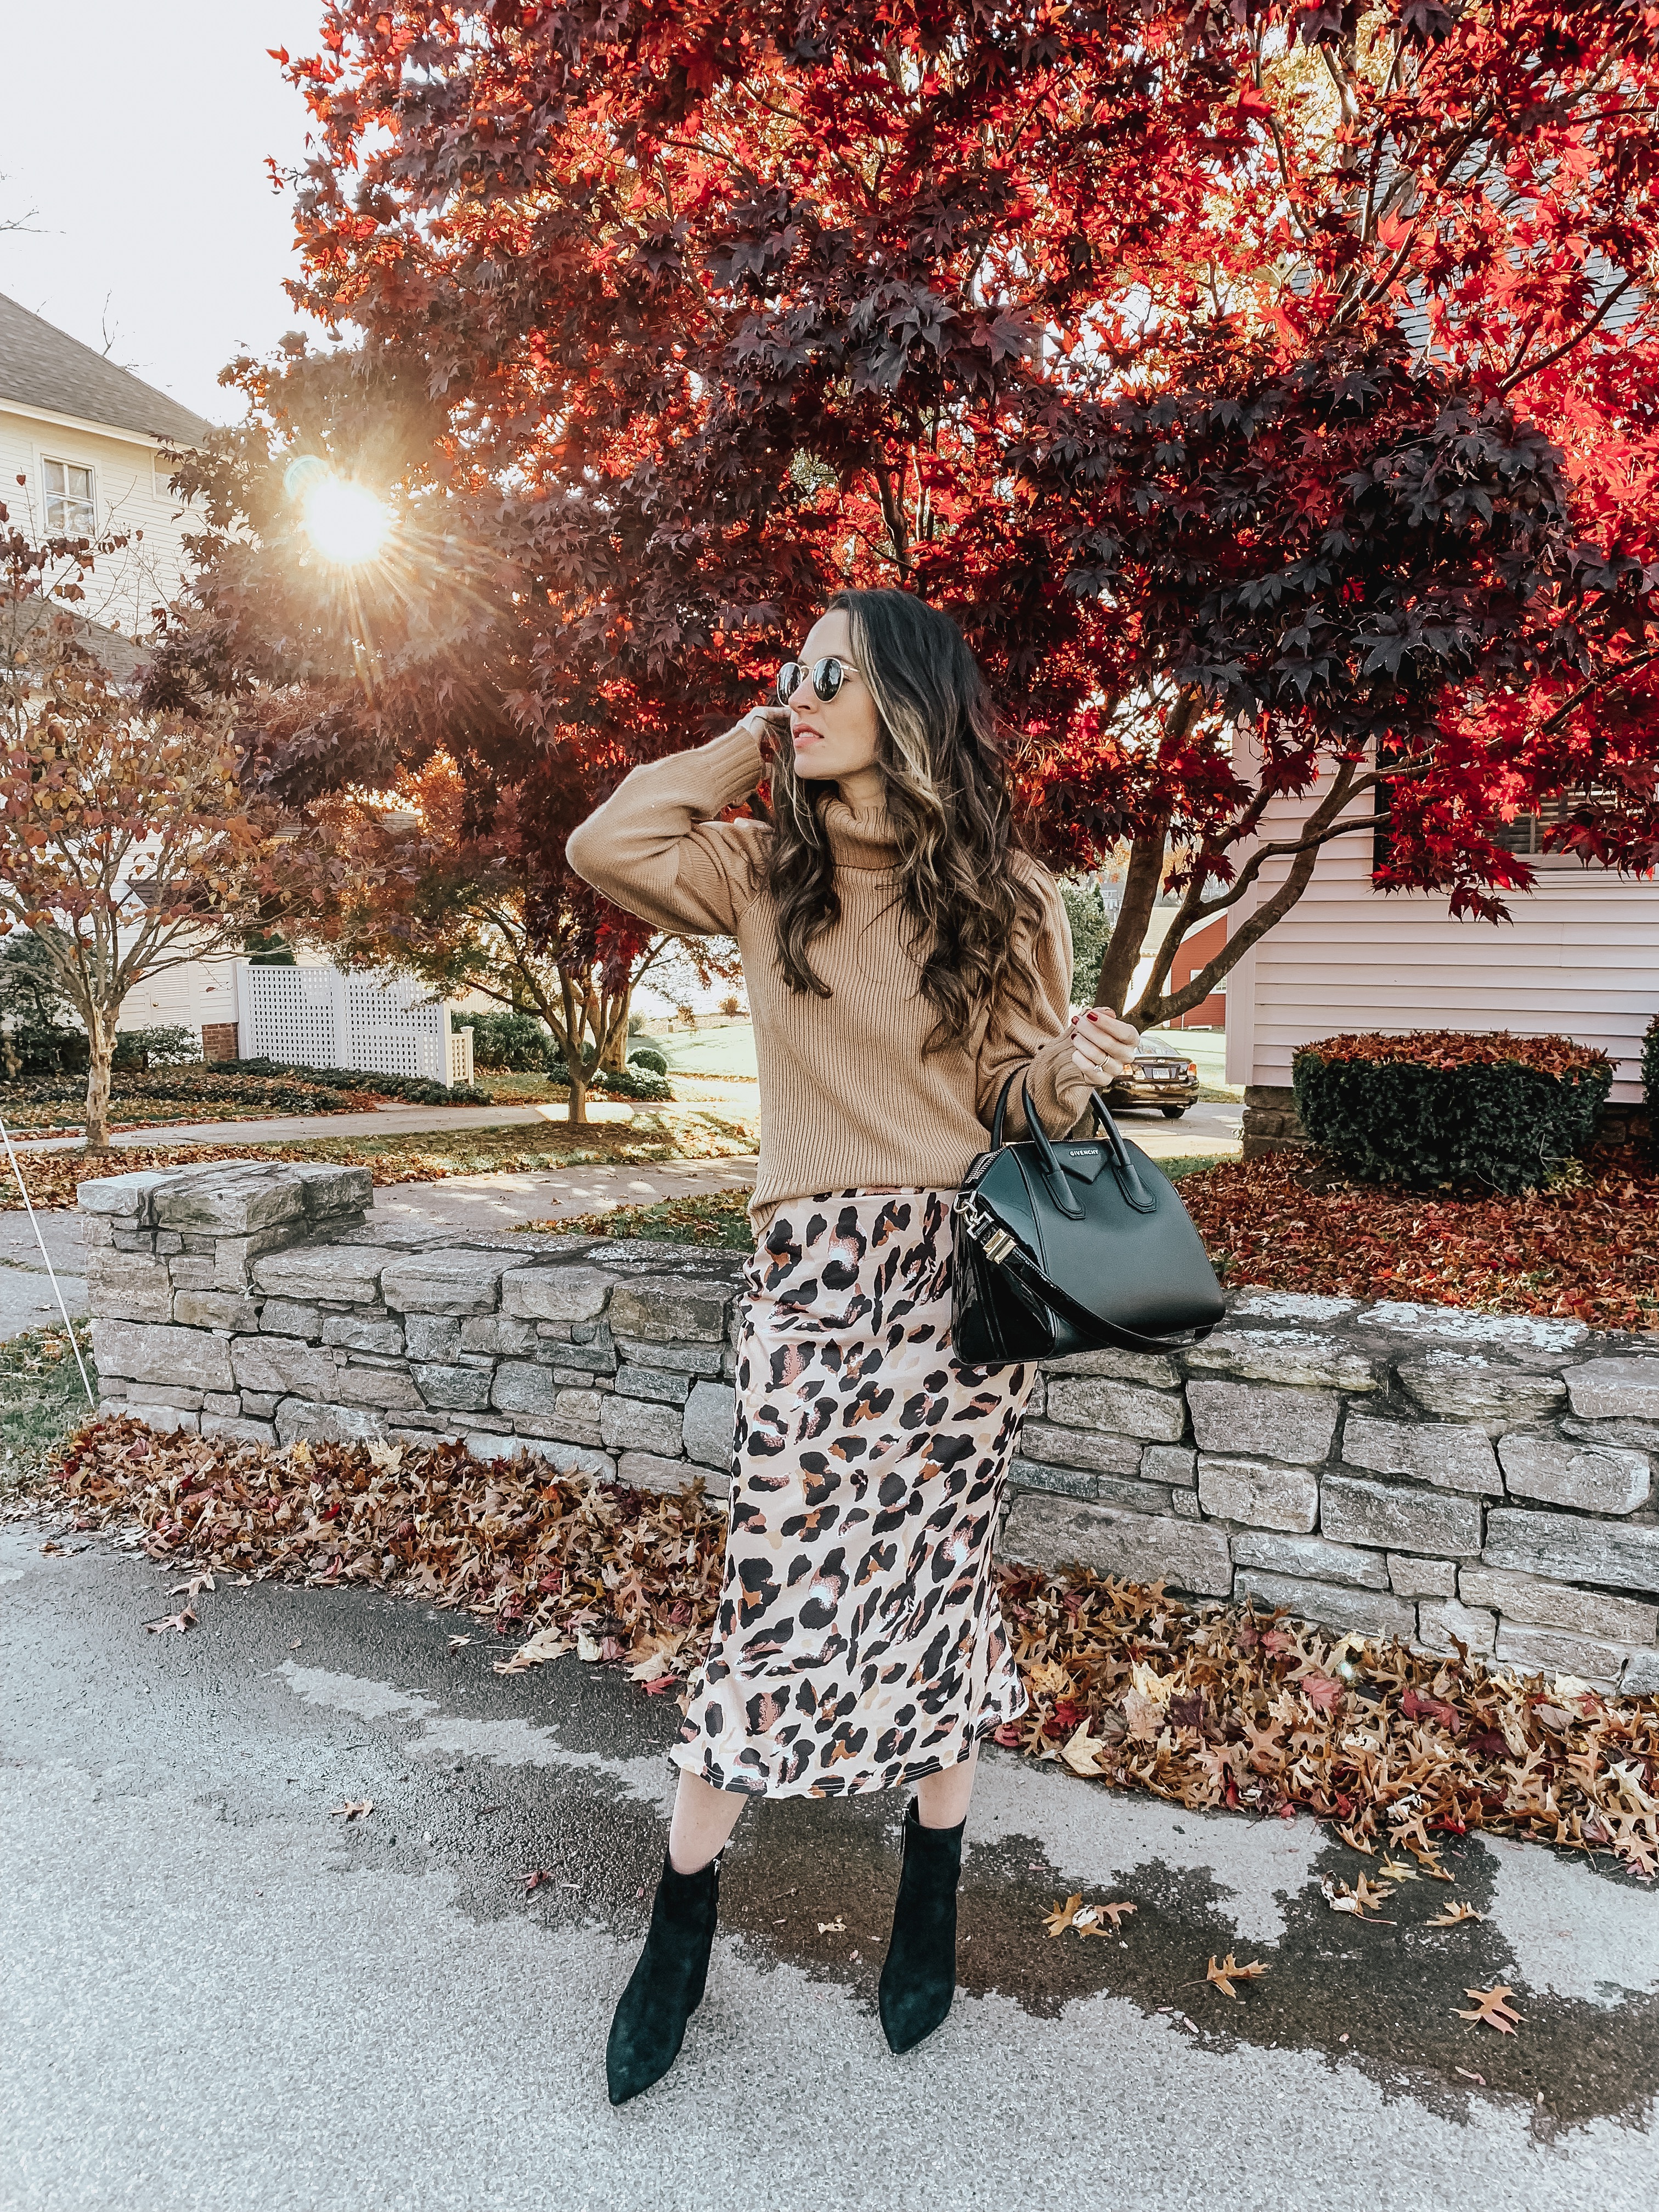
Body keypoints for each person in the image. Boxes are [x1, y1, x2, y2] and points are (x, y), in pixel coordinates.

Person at [565, 587, 1139, 2103]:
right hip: (817, 1282)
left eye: (828, 676)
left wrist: (1069, 1074)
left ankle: (931, 1889)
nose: (801, 694)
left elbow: (1019, 1107)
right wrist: (749, 736)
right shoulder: (762, 869)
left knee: (938, 1589)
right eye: (792, 672)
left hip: (965, 1288)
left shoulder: (1010, 899)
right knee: (781, 1605)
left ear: (909, 702)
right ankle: (680, 1930)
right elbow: (604, 845)